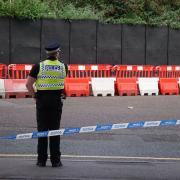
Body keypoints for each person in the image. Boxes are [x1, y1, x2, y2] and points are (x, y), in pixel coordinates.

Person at [26, 42, 67, 167]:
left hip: (42, 101)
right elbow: (60, 82)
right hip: (56, 101)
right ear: (57, 53)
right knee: (55, 131)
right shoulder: (63, 66)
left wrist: (34, 96)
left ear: (47, 53)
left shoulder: (38, 66)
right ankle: (56, 161)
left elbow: (28, 84)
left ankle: (41, 160)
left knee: (42, 131)